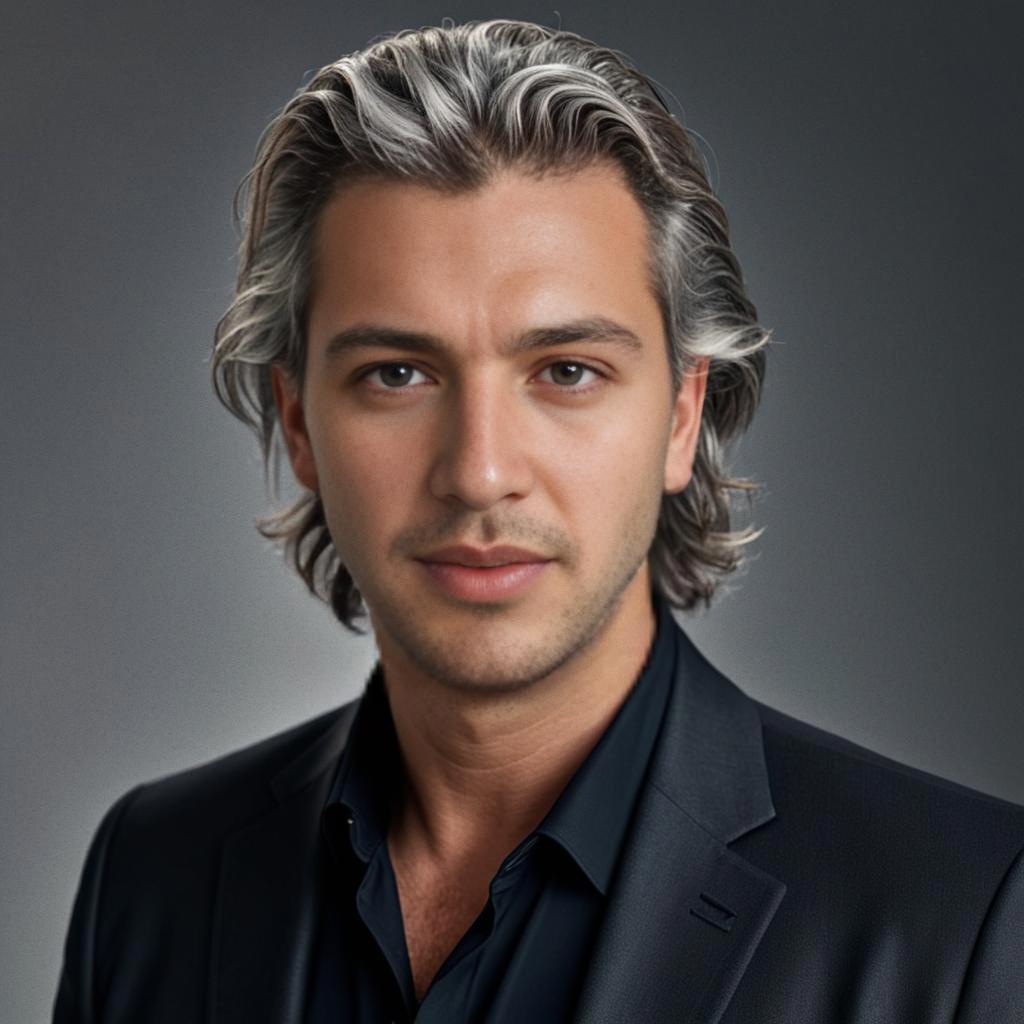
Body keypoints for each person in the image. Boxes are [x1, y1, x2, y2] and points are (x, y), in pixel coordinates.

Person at [53, 18, 1024, 1024]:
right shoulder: (152, 875)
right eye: (397, 373)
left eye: (566, 371)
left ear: (682, 414)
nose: (479, 473)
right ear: (299, 421)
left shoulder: (962, 920)